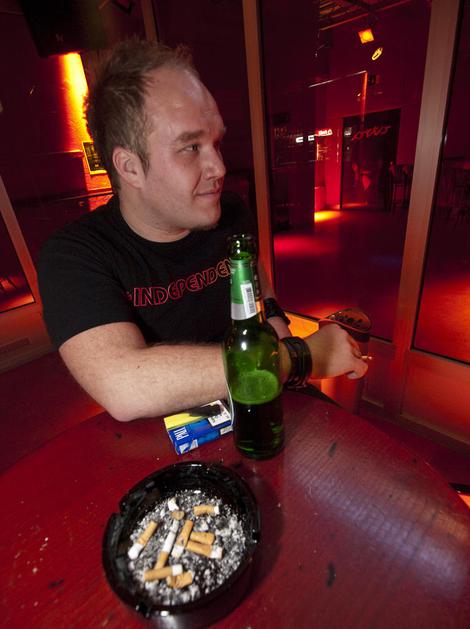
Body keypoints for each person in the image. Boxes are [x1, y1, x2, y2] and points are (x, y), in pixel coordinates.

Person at [37, 38, 367, 422]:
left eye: (216, 143)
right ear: (129, 167)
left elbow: (258, 288)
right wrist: (298, 357)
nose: (219, 168)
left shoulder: (230, 213)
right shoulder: (75, 254)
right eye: (191, 148)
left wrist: (283, 344)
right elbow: (124, 385)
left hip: (259, 391)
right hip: (170, 430)